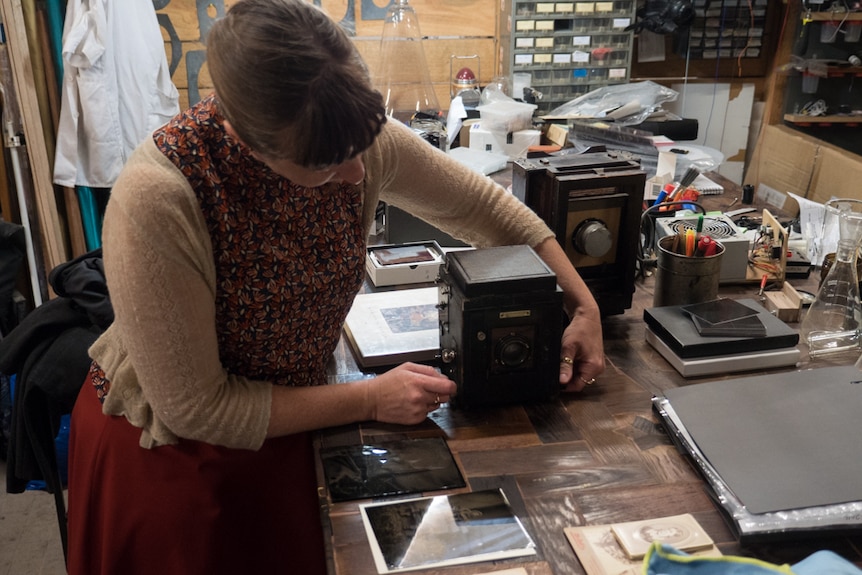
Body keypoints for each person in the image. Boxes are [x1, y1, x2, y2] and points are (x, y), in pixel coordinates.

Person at [65, 0, 604, 573]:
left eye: (358, 154)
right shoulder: (160, 199)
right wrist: (369, 398)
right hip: (176, 460)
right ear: (251, 147)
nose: (355, 177)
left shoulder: (352, 138)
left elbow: (485, 208)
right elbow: (198, 408)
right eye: (326, 168)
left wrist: (582, 303)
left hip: (300, 422)